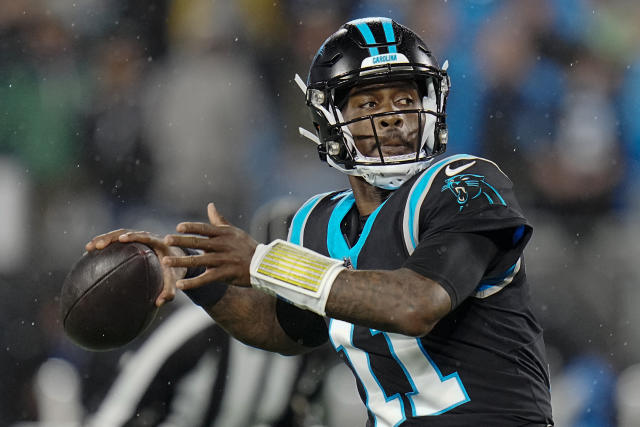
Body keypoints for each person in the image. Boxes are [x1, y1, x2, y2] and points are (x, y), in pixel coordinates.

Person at [86, 17, 554, 426]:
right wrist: (197, 276)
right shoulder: (316, 222)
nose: (392, 118)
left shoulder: (465, 182)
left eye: (404, 100)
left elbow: (418, 303)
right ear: (331, 120)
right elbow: (284, 329)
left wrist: (264, 263)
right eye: (369, 105)